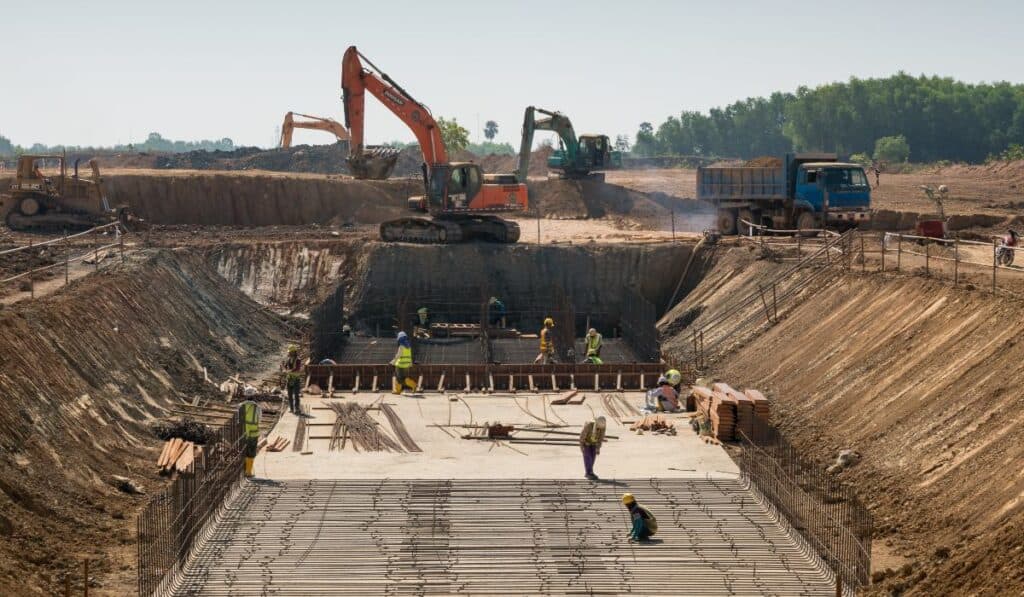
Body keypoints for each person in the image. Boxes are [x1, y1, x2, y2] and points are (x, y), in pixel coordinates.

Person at [579, 416, 607, 480]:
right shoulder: (589, 425)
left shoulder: (603, 427)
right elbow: (582, 436)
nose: (599, 428)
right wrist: (581, 446)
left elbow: (600, 438)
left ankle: (590, 472)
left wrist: (598, 448)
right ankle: (588, 473)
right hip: (586, 443)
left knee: (592, 458)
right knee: (588, 457)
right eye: (598, 427)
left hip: (594, 443)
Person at [239, 400, 261, 478]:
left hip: (243, 433)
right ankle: (248, 472)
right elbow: (259, 419)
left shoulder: (241, 406)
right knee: (251, 453)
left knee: (243, 452)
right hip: (253, 433)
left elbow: (238, 420)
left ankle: (243, 471)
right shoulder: (257, 407)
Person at [282, 345, 304, 415]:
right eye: (289, 352)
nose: (289, 353)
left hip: (296, 380)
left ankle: (297, 408)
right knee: (290, 395)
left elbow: (297, 368)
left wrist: (289, 371)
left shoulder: (298, 360)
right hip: (289, 379)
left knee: (296, 395)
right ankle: (291, 408)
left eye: (290, 352)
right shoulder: (288, 360)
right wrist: (283, 369)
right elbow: (285, 367)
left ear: (294, 352)